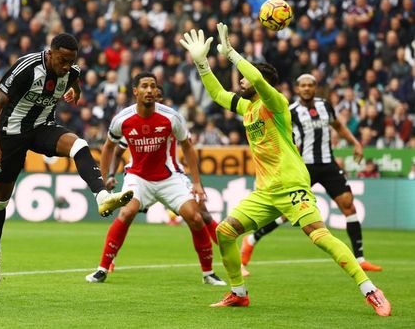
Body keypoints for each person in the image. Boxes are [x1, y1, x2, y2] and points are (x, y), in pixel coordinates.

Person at [179, 26, 390, 315]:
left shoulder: (276, 104)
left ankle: (370, 290)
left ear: (262, 82)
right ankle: (238, 293)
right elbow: (217, 94)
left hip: (291, 185)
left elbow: (253, 76)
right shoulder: (248, 108)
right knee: (226, 232)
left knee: (320, 237)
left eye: (246, 77)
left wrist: (231, 54)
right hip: (265, 192)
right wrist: (202, 64)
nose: (241, 80)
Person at [0, 33, 133, 286]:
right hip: (11, 132)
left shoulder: (71, 71)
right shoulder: (27, 67)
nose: (66, 66)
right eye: (62, 60)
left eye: (71, 61)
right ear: (51, 53)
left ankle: (102, 197)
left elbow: (75, 82)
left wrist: (74, 93)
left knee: (79, 145)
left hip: (43, 127)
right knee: (0, 201)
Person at [85, 72, 226, 286]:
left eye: (153, 86)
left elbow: (187, 146)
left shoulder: (171, 117)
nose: (150, 90)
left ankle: (208, 273)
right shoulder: (122, 119)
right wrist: (105, 179)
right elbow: (108, 148)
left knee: (196, 218)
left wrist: (196, 183)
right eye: (144, 86)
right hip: (138, 177)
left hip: (169, 177)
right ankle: (102, 269)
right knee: (127, 211)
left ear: (157, 91)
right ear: (135, 91)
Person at [239, 73, 382, 276]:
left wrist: (355, 143)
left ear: (315, 88)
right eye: (303, 86)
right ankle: (251, 240)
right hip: (303, 167)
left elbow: (338, 126)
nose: (306, 88)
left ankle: (360, 259)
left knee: (348, 204)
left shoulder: (325, 106)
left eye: (310, 85)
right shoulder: (290, 110)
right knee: (285, 213)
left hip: (328, 164)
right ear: (297, 89)